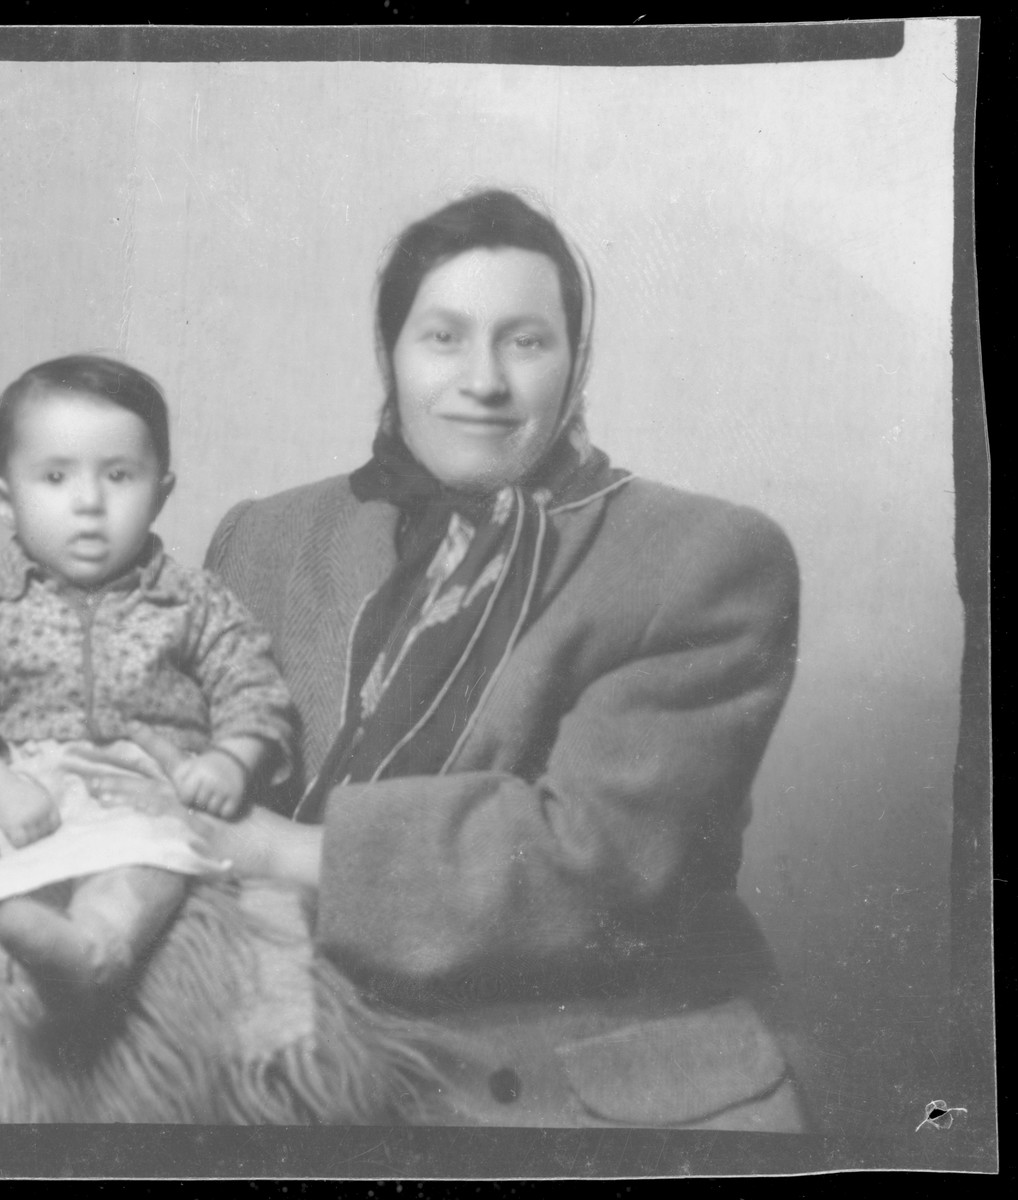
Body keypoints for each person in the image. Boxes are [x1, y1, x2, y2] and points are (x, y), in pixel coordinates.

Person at [159, 188, 808, 1130]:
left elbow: (592, 863)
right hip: (290, 1053)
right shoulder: (265, 537)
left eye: (525, 341)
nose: (484, 380)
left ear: (575, 364)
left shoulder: (705, 555)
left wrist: (276, 851)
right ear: (390, 356)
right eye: (444, 337)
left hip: (570, 1088)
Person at [0, 355, 296, 1047]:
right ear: (4, 499)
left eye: (119, 476)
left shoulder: (193, 599)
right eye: (55, 478)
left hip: (135, 785)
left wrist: (232, 763)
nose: (89, 502)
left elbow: (253, 686)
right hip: (12, 784)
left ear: (161, 491)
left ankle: (88, 950)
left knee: (149, 857)